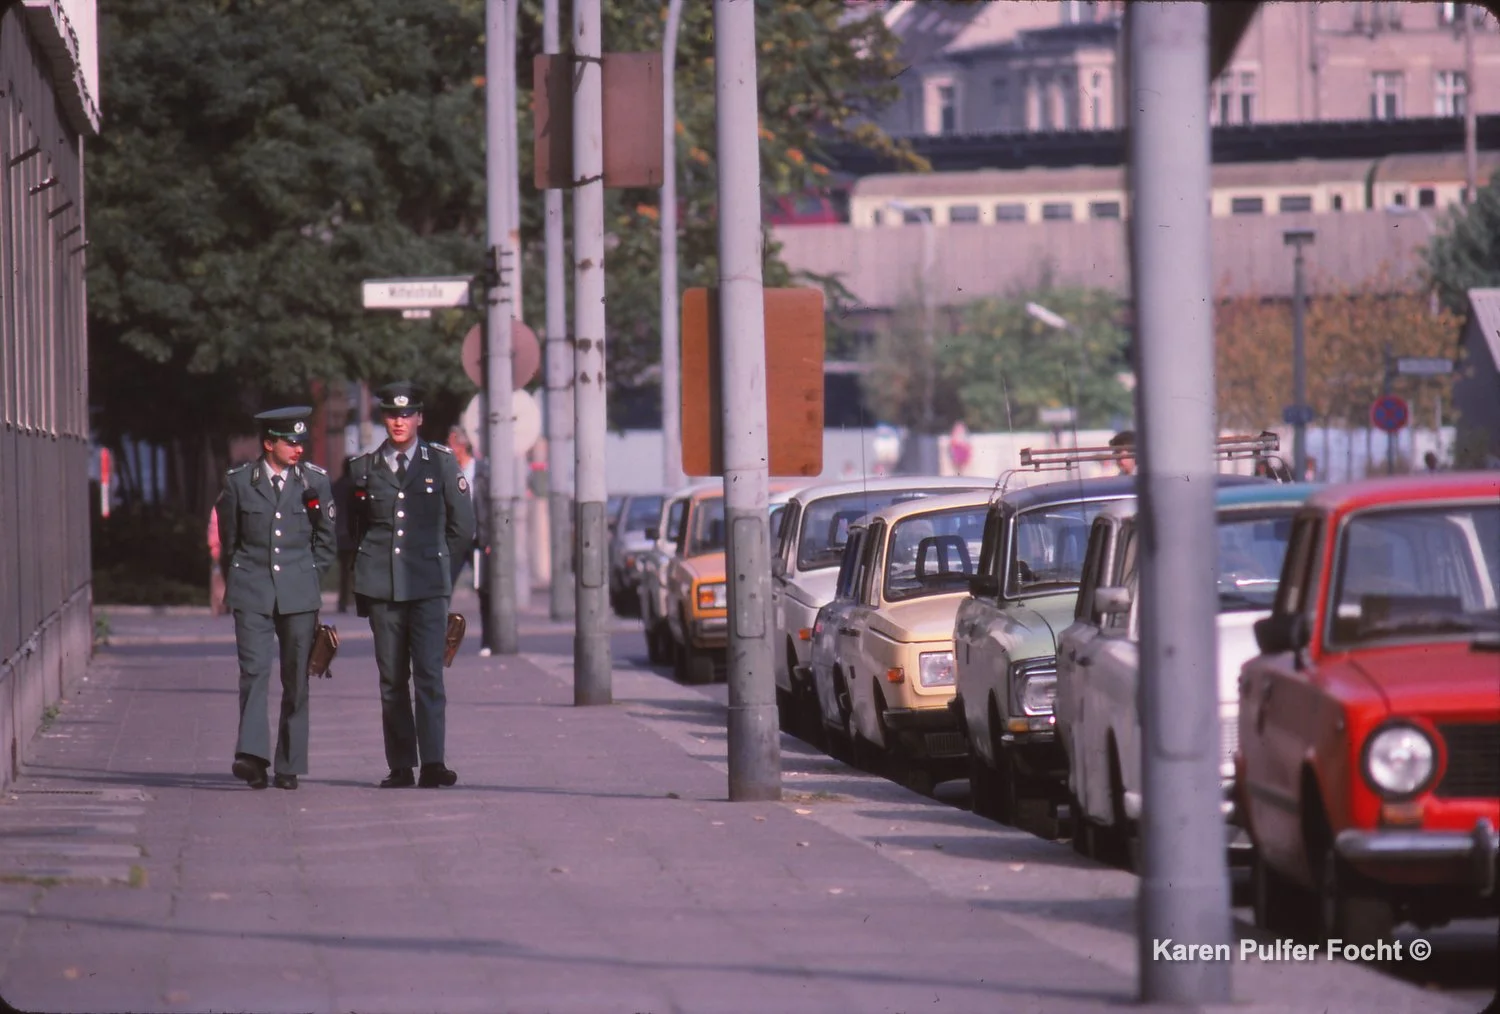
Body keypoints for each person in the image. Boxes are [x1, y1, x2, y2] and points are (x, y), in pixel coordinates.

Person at [346, 382, 476, 789]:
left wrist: (438, 567)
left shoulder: (440, 463)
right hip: (382, 587)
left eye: (406, 414)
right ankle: (401, 764)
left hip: (427, 585)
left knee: (429, 675)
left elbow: (463, 527)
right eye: (391, 415)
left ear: (419, 417)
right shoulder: (363, 468)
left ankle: (433, 762)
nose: (398, 421)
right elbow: (354, 529)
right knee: (391, 679)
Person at [216, 407, 337, 790]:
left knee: (296, 678)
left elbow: (326, 540)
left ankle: (289, 763)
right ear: (269, 443)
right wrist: (239, 578)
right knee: (254, 672)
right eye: (289, 442)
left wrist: (308, 577)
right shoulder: (239, 482)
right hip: (253, 589)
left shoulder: (314, 481)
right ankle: (252, 757)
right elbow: (230, 540)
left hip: (298, 594)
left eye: (301, 442)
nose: (298, 448)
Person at [447, 427, 493, 656]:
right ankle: (439, 641)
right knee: (443, 588)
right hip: (455, 540)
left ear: (461, 446)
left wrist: (490, 538)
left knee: (485, 591)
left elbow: (490, 507)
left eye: (451, 445)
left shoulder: (481, 471)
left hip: (479, 540)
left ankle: (488, 641)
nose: (448, 450)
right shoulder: (448, 471)